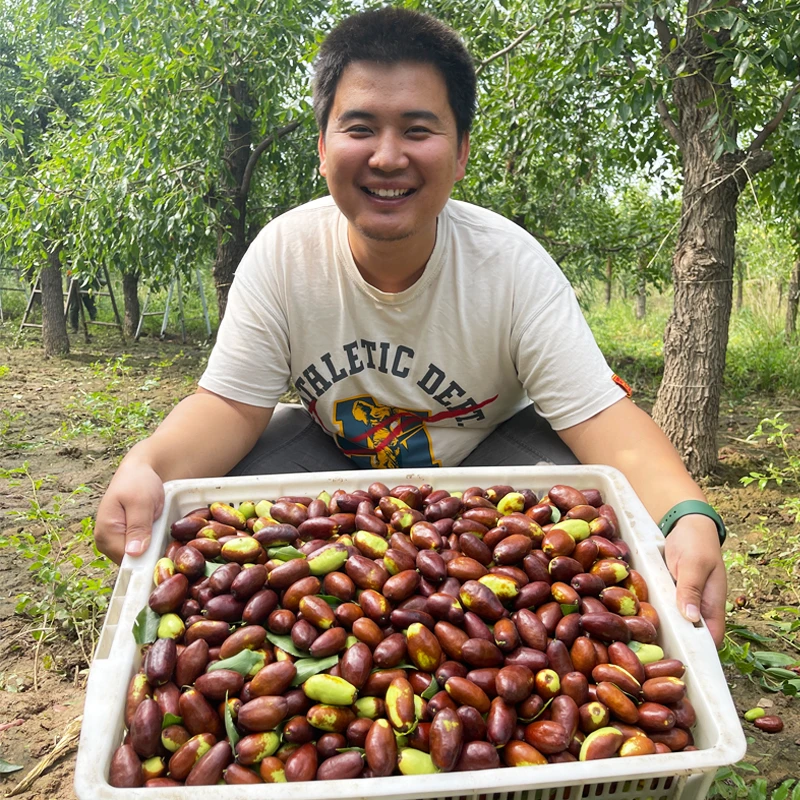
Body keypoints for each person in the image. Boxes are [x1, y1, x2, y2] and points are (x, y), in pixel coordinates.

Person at [94, 7, 727, 646]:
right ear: (322, 148)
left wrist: (687, 514)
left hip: (484, 464)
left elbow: (604, 424)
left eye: (418, 129)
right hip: (334, 462)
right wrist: (148, 463)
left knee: (602, 514)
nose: (388, 157)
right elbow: (229, 406)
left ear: (459, 154)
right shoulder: (285, 254)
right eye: (361, 128)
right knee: (209, 507)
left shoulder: (509, 266)